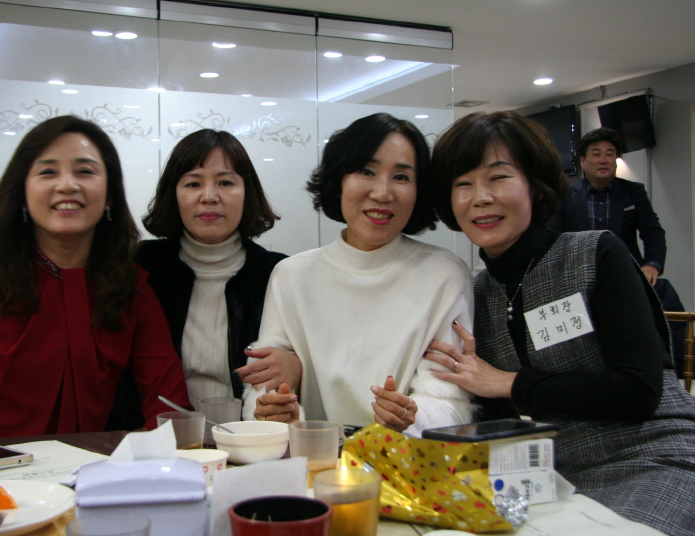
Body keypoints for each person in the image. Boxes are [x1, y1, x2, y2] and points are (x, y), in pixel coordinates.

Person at [427, 110, 695, 536]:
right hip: (548, 475)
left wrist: (509, 382)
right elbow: (497, 412)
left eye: (498, 177)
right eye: (463, 184)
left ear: (535, 185)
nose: (481, 197)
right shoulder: (477, 292)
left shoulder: (594, 254)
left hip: (651, 457)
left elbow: (639, 391)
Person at [0, 115, 191, 442]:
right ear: (22, 190)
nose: (67, 185)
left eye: (85, 171)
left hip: (95, 470)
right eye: (48, 172)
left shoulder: (130, 286)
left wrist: (143, 459)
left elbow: (169, 405)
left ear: (110, 194)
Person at [246, 113, 475, 437]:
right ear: (339, 179)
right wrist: (277, 410)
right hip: (316, 457)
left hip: (406, 460)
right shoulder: (292, 275)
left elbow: (448, 396)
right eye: (367, 171)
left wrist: (412, 415)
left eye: (401, 177)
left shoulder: (444, 274)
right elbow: (263, 382)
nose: (382, 193)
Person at [107, 129, 294, 429]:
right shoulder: (141, 267)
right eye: (193, 183)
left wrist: (297, 367)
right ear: (174, 194)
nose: (209, 197)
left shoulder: (278, 273)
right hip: (154, 438)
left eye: (225, 182)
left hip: (248, 438)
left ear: (247, 193)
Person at [552, 127, 666, 285]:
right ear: (583, 161)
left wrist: (652, 264)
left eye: (610, 154)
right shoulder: (565, 193)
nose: (603, 160)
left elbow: (652, 232)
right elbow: (553, 236)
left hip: (624, 274)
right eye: (596, 154)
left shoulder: (633, 191)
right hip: (577, 276)